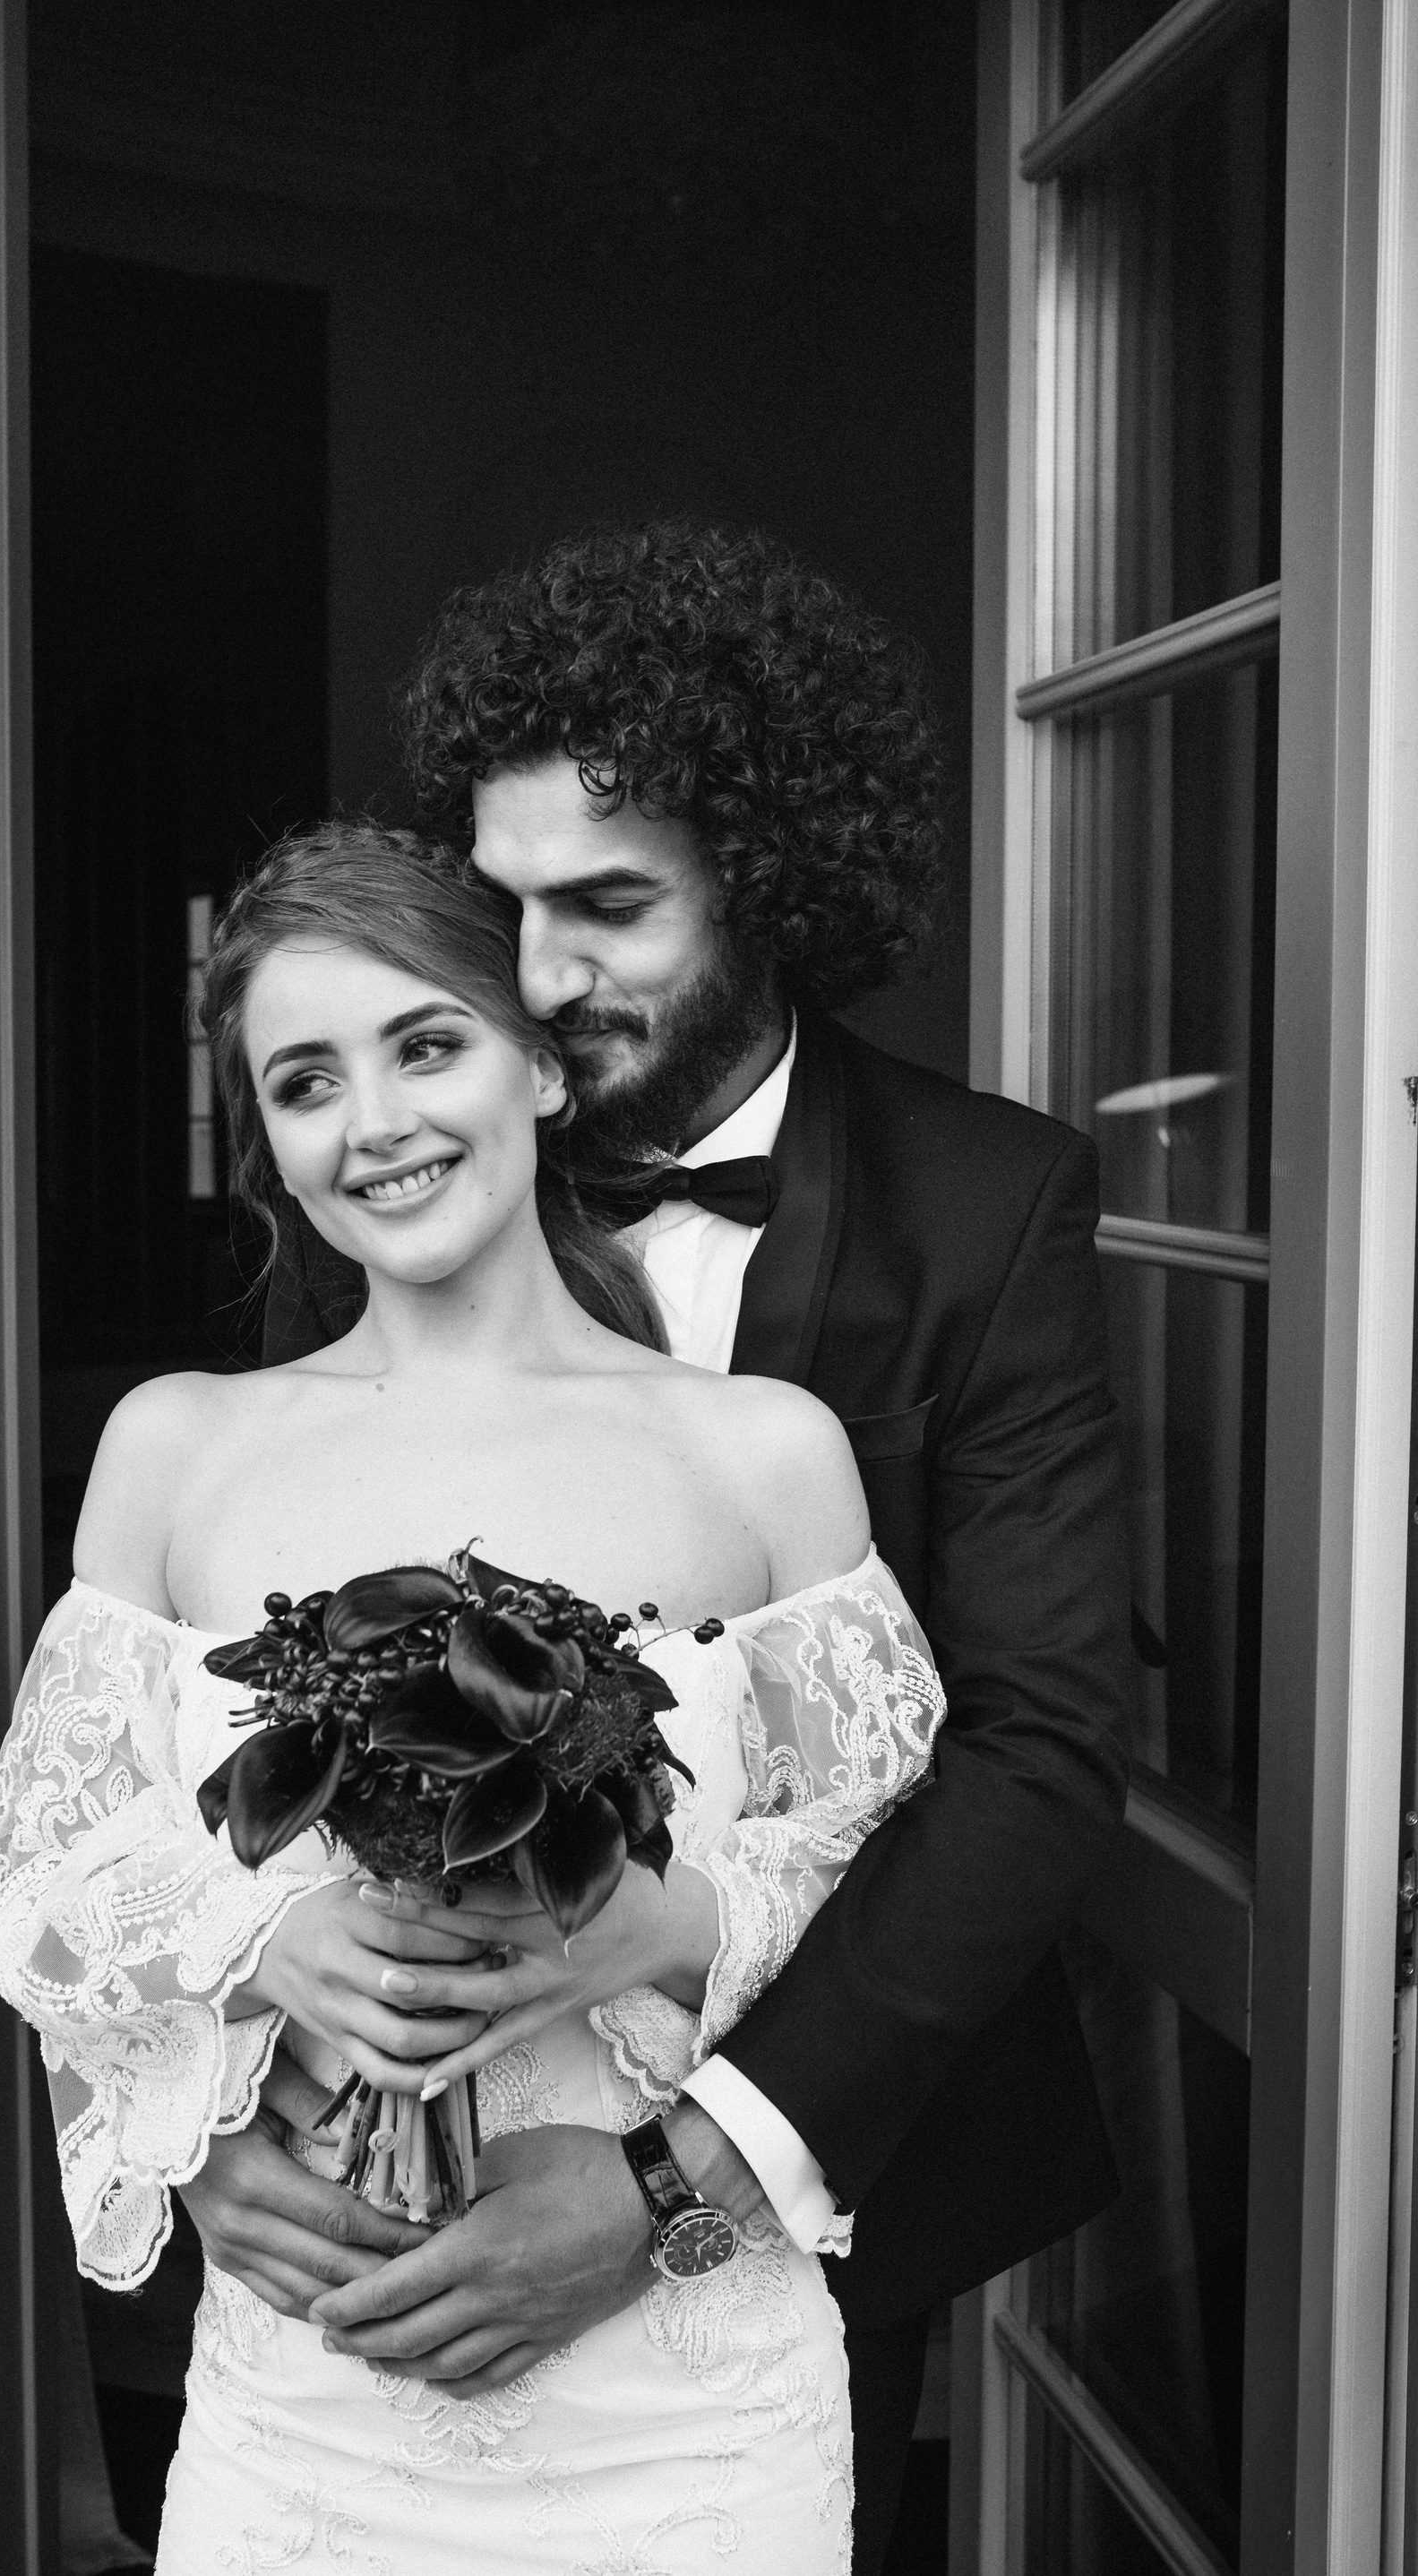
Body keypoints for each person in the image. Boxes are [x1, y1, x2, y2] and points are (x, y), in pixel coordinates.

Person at [185, 522, 1132, 2575]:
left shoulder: (991, 1205)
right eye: (505, 907)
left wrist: (676, 2186)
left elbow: (1043, 1750)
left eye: (610, 906)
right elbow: (246, 1688)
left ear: (771, 882)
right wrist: (209, 2118)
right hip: (379, 2212)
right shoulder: (413, 1162)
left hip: (799, 2200)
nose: (537, 978)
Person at [0, 824, 950, 2571]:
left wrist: (656, 1926)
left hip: (684, 2405)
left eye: (425, 1044)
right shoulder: (176, 1449)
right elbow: (37, 1887)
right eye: (306, 1081)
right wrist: (244, 1975)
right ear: (268, 1141)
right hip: (307, 2406)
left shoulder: (766, 1454)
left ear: (540, 1066)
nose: (376, 1121)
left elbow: (898, 1886)